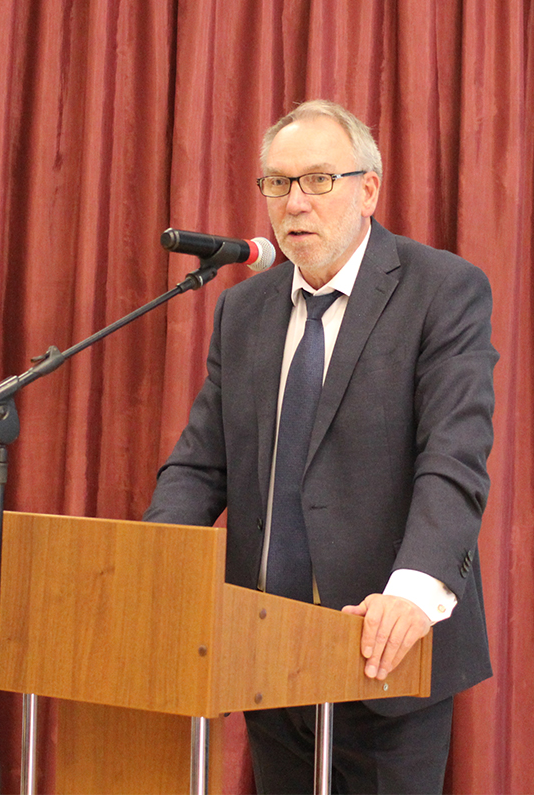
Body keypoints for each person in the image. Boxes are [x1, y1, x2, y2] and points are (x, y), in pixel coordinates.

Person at [143, 99, 497, 794]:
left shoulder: (441, 290)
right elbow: (199, 465)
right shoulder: (244, 308)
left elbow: (452, 458)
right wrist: (151, 567)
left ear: (368, 190)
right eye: (278, 183)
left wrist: (412, 592)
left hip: (383, 653)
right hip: (265, 654)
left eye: (318, 180)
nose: (294, 202)